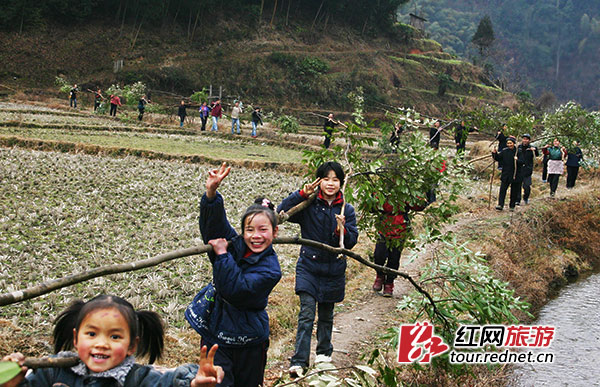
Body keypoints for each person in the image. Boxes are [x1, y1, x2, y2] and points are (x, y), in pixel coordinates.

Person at [186, 163, 282, 387]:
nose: (255, 236)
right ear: (242, 231)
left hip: (249, 338)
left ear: (275, 232)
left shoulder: (271, 269)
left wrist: (221, 254)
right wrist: (211, 194)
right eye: (249, 230)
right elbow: (215, 229)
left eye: (263, 230)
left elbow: (235, 288)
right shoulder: (238, 244)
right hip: (217, 330)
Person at [2, 294, 223, 387]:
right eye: (91, 334)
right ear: (76, 339)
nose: (102, 343)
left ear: (132, 346)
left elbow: (169, 382)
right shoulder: (52, 372)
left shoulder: (137, 379)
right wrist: (13, 381)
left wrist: (194, 381)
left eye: (115, 336)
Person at [277, 161, 359, 377]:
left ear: (341, 182)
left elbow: (350, 242)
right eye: (326, 179)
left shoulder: (346, 210)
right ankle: (299, 361)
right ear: (319, 181)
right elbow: (282, 212)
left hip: (333, 268)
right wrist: (301, 194)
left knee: (326, 314)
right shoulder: (309, 205)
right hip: (309, 266)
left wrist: (342, 229)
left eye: (335, 179)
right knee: (306, 313)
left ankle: (323, 356)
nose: (330, 184)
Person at [372, 197, 428, 297]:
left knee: (394, 257)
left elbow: (418, 205)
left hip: (400, 227)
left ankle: (389, 282)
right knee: (379, 255)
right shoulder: (381, 187)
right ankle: (380, 275)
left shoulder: (405, 188)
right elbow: (372, 206)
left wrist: (421, 198)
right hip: (384, 225)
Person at [492, 136, 525, 211]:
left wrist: (517, 160)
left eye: (510, 143)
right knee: (503, 190)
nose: (509, 144)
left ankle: (512, 206)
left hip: (515, 174)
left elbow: (523, 162)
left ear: (514, 143)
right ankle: (500, 204)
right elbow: (498, 158)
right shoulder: (504, 151)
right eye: (508, 143)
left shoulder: (518, 152)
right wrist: (494, 154)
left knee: (514, 191)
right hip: (506, 174)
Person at [516, 134, 539, 205]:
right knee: (518, 185)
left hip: (527, 169)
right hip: (519, 168)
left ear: (529, 140)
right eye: (524, 139)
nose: (525, 140)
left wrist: (535, 150)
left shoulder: (532, 148)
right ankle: (517, 200)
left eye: (526, 139)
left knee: (526, 186)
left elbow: (537, 155)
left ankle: (526, 198)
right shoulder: (518, 147)